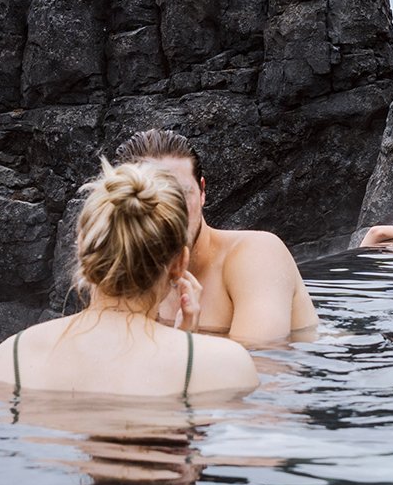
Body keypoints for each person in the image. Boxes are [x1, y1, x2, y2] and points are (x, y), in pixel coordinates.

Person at [0, 158, 258, 398]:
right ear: (179, 264)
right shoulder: (226, 365)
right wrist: (187, 348)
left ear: (81, 247)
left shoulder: (11, 358)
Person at [115, 128, 319, 347]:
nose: (169, 213)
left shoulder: (257, 255)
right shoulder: (128, 273)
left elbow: (262, 370)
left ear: (202, 191)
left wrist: (184, 345)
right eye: (153, 198)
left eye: (179, 195)